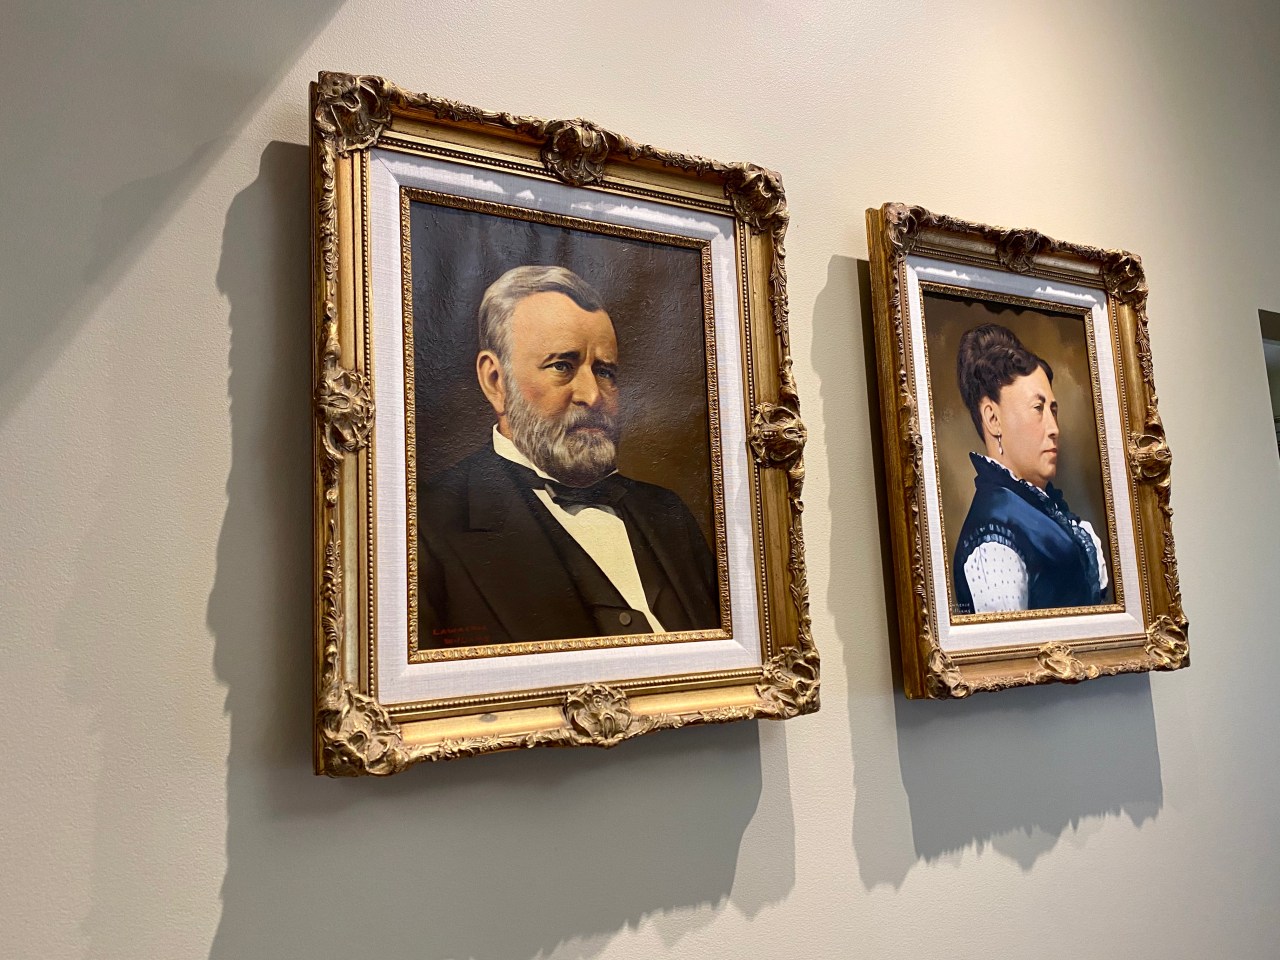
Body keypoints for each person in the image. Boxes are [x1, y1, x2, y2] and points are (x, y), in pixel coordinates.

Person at [419, 265, 720, 648]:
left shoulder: (666, 511)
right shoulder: (428, 525)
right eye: (562, 366)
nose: (592, 396)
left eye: (605, 372)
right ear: (495, 381)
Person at [952, 323, 1109, 615]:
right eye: (1038, 409)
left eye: (1053, 410)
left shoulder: (1044, 509)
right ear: (993, 419)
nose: (1054, 428)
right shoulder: (993, 546)